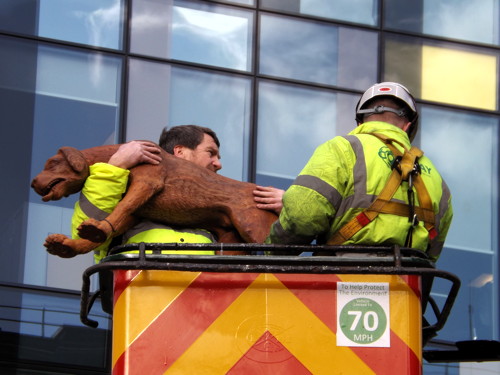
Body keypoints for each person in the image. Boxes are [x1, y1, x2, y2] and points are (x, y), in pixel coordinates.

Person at [266, 82, 452, 262]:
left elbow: (303, 217)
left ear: (360, 121)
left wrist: (268, 256)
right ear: (407, 127)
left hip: (343, 280)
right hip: (409, 285)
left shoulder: (342, 149)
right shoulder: (437, 180)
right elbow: (432, 251)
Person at [71, 125, 284, 262]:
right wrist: (115, 167)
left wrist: (287, 211)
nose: (218, 164)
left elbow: (270, 256)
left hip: (204, 312)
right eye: (210, 153)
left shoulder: (219, 212)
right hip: (142, 302)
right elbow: (85, 230)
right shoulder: (127, 186)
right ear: (180, 152)